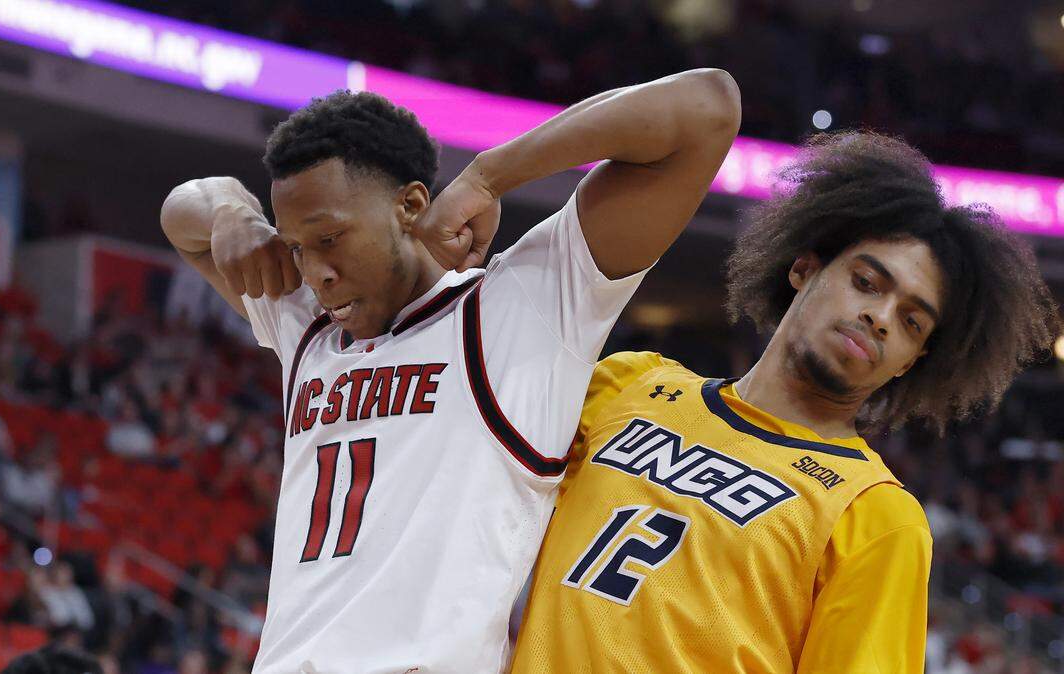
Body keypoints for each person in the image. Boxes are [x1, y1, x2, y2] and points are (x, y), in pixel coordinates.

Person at [160, 69, 740, 671]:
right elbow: (183, 213)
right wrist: (231, 207)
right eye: (297, 247)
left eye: (331, 237)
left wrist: (489, 175)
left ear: (411, 204)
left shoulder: (521, 310)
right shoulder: (308, 324)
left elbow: (706, 105)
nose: (315, 271)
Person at [508, 132, 1061, 673]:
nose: (881, 317)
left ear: (910, 361)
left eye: (911, 321)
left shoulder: (877, 519)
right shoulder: (627, 384)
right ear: (804, 269)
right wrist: (488, 179)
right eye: (867, 282)